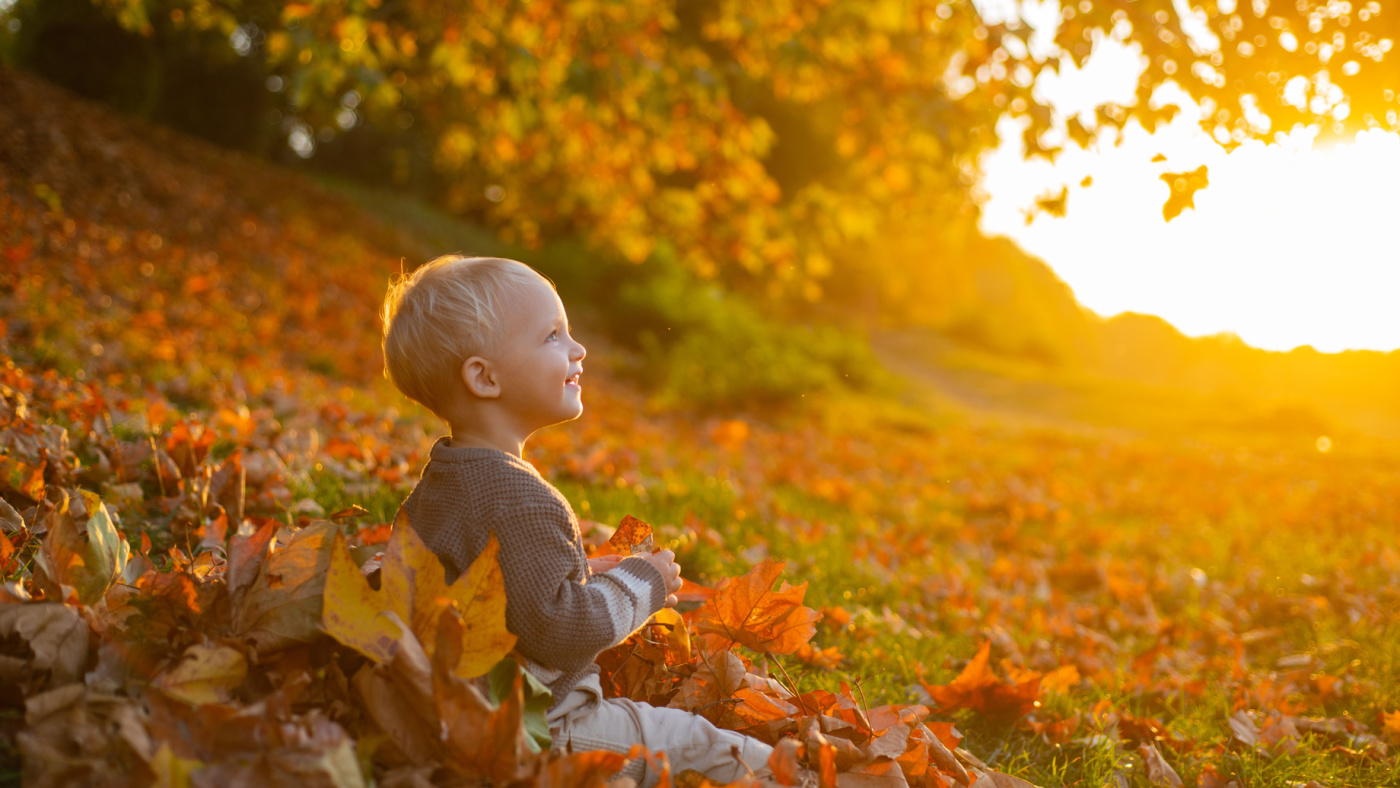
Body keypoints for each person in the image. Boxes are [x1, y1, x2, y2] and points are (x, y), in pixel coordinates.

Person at [380, 255, 775, 786]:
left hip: (454, 712)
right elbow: (555, 632)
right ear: (484, 377)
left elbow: (499, 590)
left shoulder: (443, 481)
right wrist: (643, 584)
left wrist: (581, 573)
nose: (578, 349)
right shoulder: (520, 497)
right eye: (552, 336)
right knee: (696, 744)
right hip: (540, 728)